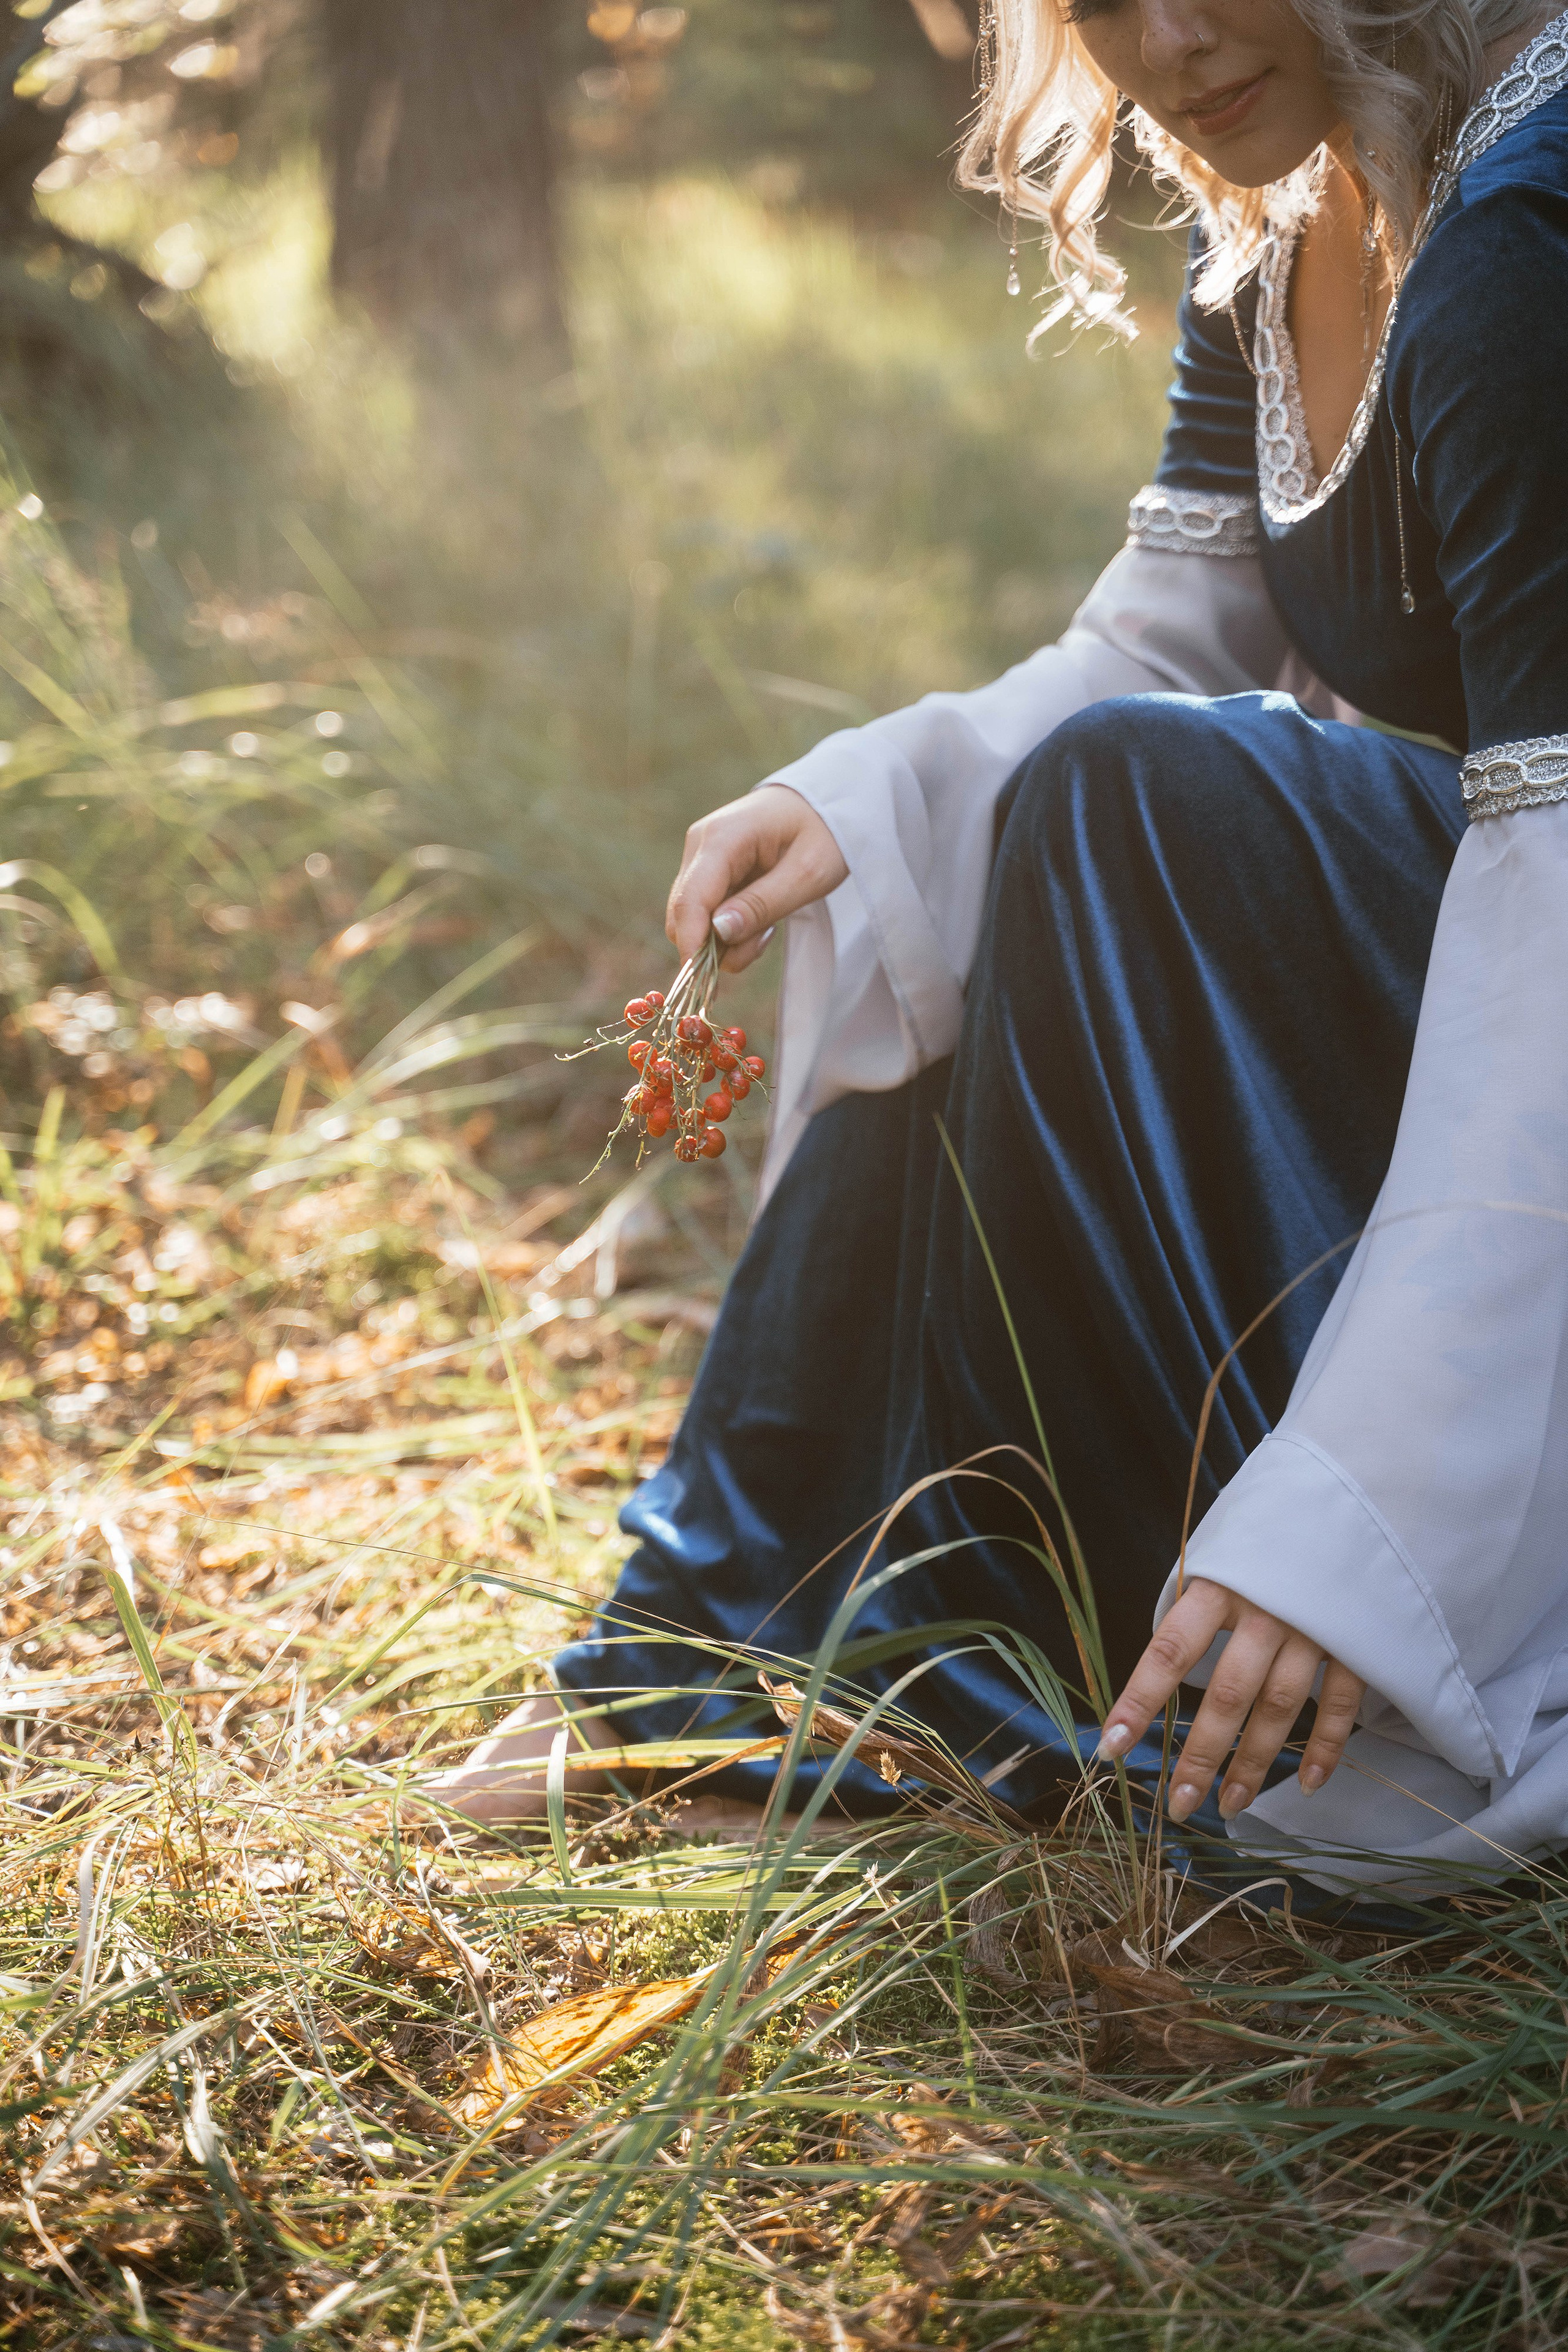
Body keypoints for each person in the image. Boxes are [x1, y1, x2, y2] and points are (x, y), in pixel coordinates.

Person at [429, 0, 1568, 1898]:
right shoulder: (1292, 211)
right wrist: (875, 797)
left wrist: (1366, 1519)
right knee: (962, 839)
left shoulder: (1524, 236)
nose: (1176, 41)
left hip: (1541, 1058)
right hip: (1474, 957)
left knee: (1124, 802)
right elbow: (1163, 653)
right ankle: (722, 1651)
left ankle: (851, 1651)